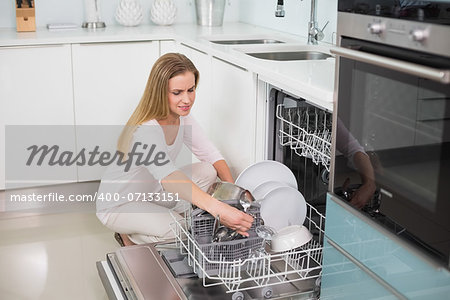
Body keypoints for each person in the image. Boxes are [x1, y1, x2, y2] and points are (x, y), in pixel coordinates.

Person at [95, 53, 253, 246]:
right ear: (160, 92)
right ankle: (128, 234)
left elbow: (210, 154)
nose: (186, 100)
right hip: (119, 205)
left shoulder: (182, 116)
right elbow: (169, 177)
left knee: (207, 170)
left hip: (152, 192)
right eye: (177, 92)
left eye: (191, 90)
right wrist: (218, 208)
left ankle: (158, 218)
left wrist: (233, 194)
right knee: (178, 230)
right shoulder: (146, 130)